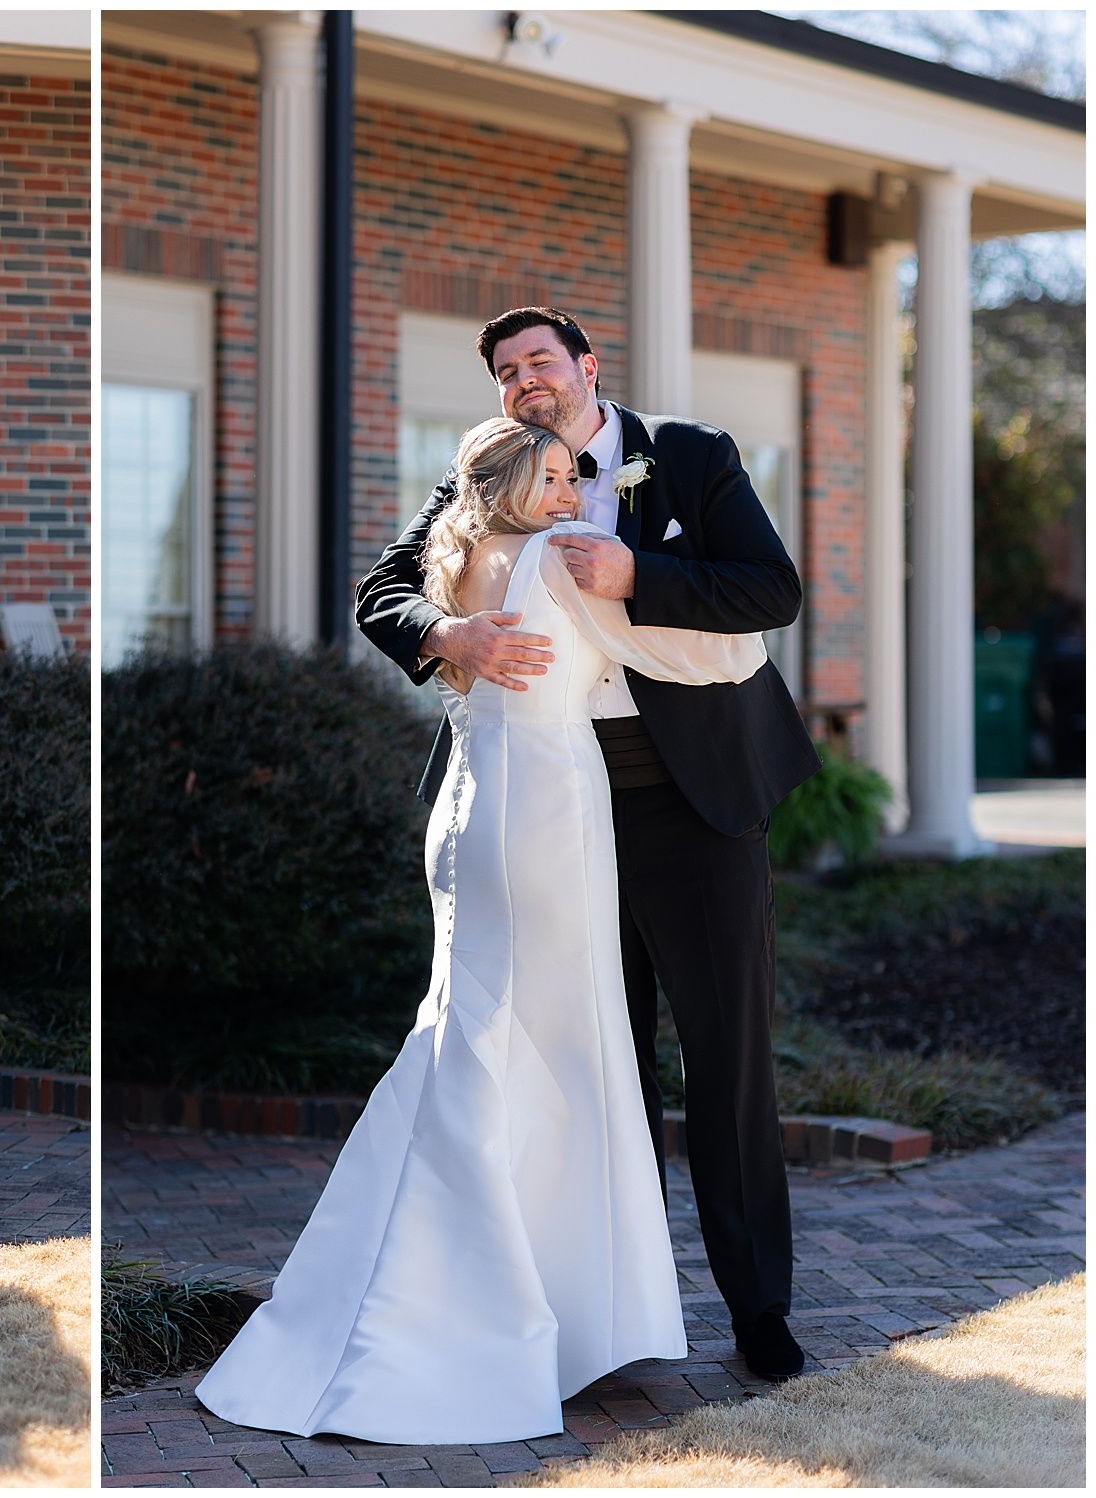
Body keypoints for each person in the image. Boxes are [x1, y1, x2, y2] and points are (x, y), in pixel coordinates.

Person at [195, 419, 767, 1444]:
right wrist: (656, 584)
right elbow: (704, 650)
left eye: (568, 474)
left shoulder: (457, 553)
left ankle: (462, 1277)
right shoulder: (554, 558)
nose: (566, 490)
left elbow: (401, 598)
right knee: (560, 1040)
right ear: (510, 481)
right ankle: (521, 1300)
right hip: (547, 816)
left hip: (467, 811)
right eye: (548, 477)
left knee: (473, 1027)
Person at [357, 307, 820, 1383]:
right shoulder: (486, 477)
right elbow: (379, 590)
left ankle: (759, 1312)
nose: (525, 382)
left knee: (726, 1059)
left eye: (540, 362)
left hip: (691, 801)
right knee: (584, 1061)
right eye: (506, 371)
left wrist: (635, 578)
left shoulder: (690, 454)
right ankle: (614, 1314)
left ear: (585, 369)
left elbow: (770, 590)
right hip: (545, 806)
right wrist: (447, 633)